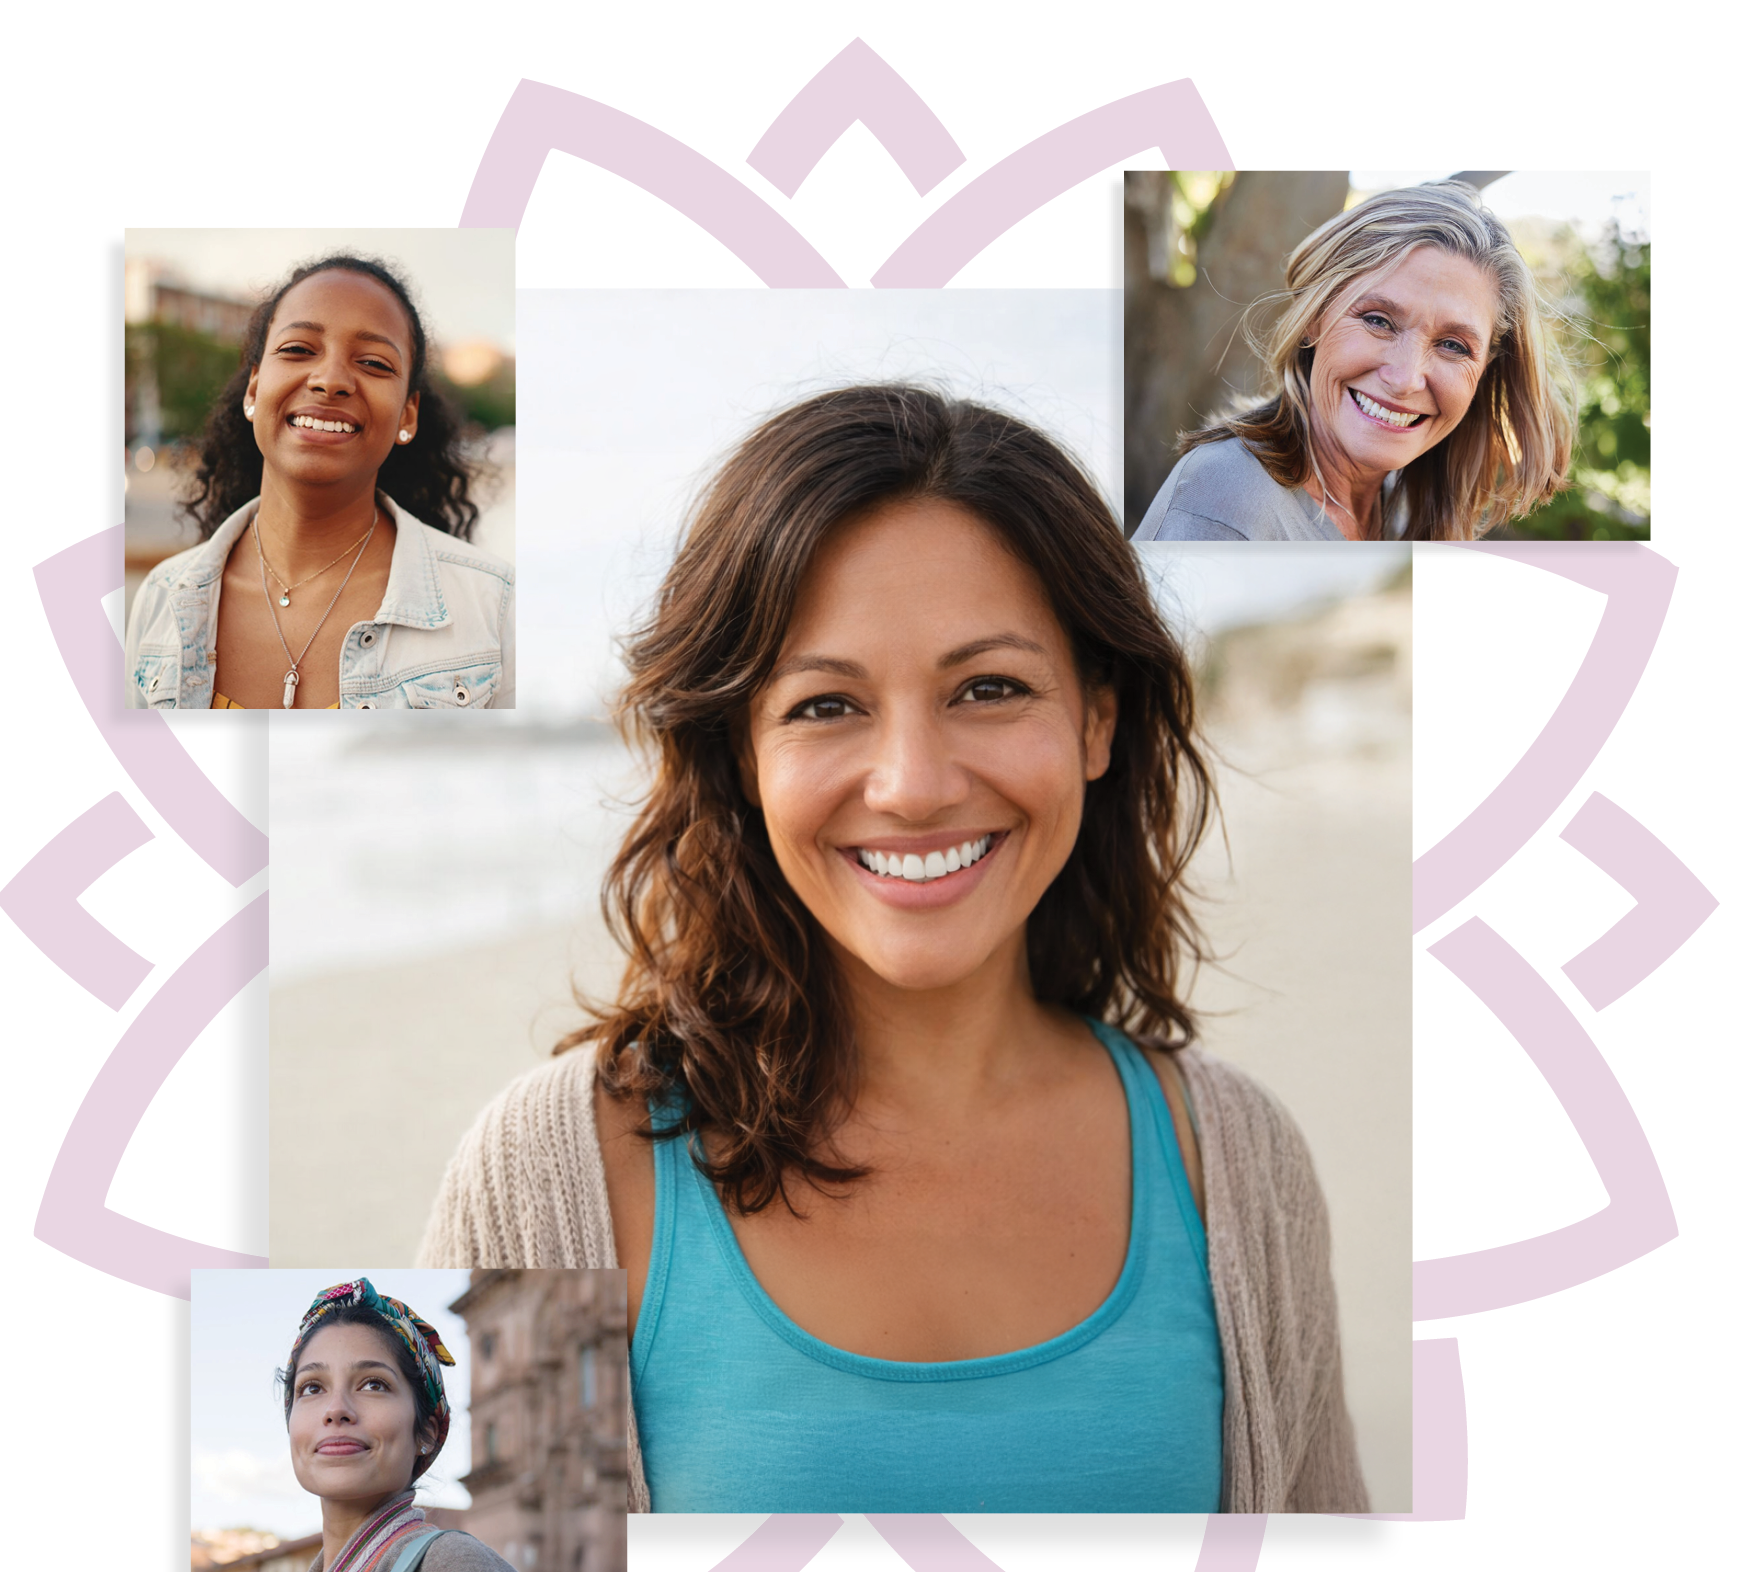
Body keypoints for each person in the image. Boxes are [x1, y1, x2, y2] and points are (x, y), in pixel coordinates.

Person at [421, 384, 1370, 1515]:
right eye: (826, 705)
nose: (914, 786)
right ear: (741, 754)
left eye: (989, 689)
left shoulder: (1239, 1167)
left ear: (1098, 719)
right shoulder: (557, 1174)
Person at [125, 254, 513, 709]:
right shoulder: (162, 598)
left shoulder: (494, 608)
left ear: (408, 415)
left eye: (373, 362)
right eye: (298, 350)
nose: (330, 380)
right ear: (254, 390)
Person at [1132, 180, 1577, 543]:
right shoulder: (1225, 497)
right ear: (1313, 317)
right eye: (1378, 321)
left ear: (1484, 371)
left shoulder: (1402, 505)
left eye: (1453, 346)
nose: (1405, 379)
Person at [230, 1279, 540, 1572]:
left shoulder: (452, 1571)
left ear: (427, 1431)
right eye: (312, 1387)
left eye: (373, 1384)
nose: (336, 1409)